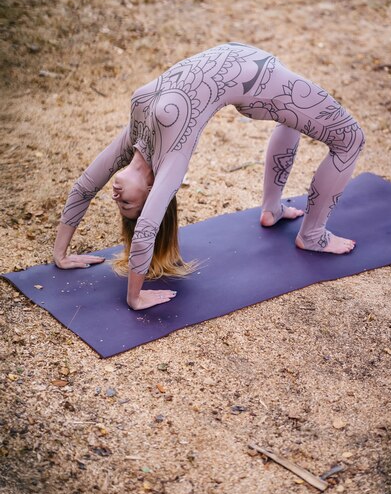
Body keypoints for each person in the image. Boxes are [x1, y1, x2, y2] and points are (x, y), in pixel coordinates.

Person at [53, 42, 365, 310]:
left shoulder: (136, 137)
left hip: (245, 64)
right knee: (350, 138)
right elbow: (148, 226)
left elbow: (86, 185)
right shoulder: (171, 160)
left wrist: (61, 254)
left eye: (122, 206)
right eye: (129, 205)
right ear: (151, 189)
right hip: (257, 79)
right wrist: (134, 297)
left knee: (292, 118)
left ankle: (272, 210)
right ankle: (312, 235)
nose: (117, 198)